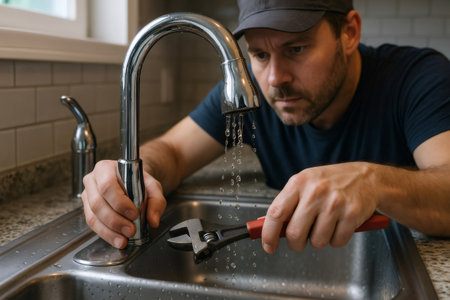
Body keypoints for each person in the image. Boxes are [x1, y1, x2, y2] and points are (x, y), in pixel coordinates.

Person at [82, 0, 450, 254]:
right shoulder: (254, 91)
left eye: (297, 49)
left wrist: (374, 181)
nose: (276, 79)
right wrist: (129, 173)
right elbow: (173, 152)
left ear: (349, 32)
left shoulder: (417, 79)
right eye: (259, 54)